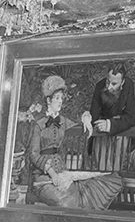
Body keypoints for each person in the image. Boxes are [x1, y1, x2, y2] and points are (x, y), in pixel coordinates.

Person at [28, 75, 122, 209]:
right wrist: (51, 172)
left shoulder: (63, 121)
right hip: (43, 179)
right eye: (57, 98)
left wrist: (85, 117)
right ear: (48, 100)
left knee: (87, 192)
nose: (60, 101)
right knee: (67, 202)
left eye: (61, 98)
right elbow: (33, 155)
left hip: (62, 173)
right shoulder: (38, 124)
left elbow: (80, 121)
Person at [89, 63, 135, 135]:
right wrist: (87, 118)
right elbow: (94, 115)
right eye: (108, 82)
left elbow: (130, 118)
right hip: (102, 133)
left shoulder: (128, 85)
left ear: (122, 82)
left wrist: (109, 125)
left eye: (114, 84)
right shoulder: (100, 86)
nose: (109, 87)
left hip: (121, 132)